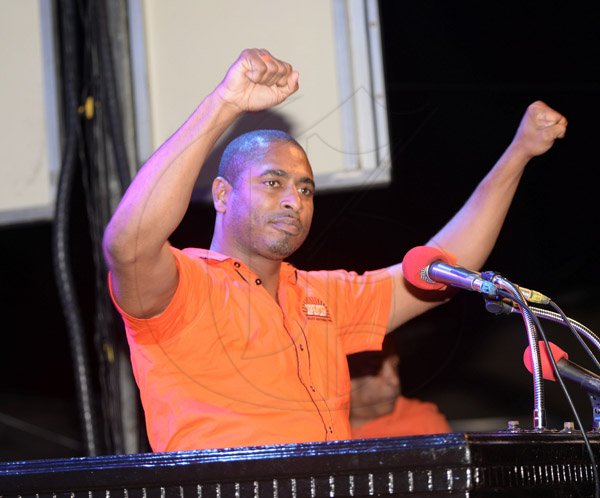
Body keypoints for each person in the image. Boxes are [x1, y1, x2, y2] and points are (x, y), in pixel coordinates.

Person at [102, 48, 567, 452]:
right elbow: (128, 242)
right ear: (222, 195)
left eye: (306, 190)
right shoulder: (184, 287)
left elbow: (443, 264)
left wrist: (519, 152)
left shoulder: (322, 297)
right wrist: (224, 104)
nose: (294, 200)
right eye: (272, 182)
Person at [348, 334, 451, 439]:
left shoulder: (424, 425)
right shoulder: (331, 430)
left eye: (395, 365)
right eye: (377, 369)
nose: (395, 381)